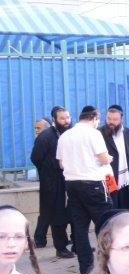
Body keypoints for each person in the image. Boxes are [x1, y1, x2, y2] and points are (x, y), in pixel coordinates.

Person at [57, 105, 114, 274]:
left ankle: (85, 265)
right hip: (94, 184)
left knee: (79, 226)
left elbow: (61, 164)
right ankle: (109, 264)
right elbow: (104, 158)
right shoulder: (93, 134)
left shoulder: (65, 136)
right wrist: (109, 157)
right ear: (95, 117)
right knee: (105, 224)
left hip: (72, 185)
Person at [30, 105, 72, 255]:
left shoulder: (71, 134)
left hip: (72, 179)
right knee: (56, 214)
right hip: (53, 182)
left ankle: (77, 244)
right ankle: (60, 248)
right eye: (62, 118)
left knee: (74, 212)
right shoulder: (46, 136)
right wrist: (51, 169)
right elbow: (36, 158)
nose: (66, 121)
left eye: (68, 117)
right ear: (55, 120)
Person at [102, 105, 129, 210]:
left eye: (115, 119)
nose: (111, 122)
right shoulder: (99, 133)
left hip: (128, 179)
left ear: (122, 119)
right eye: (109, 119)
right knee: (112, 210)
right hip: (109, 179)